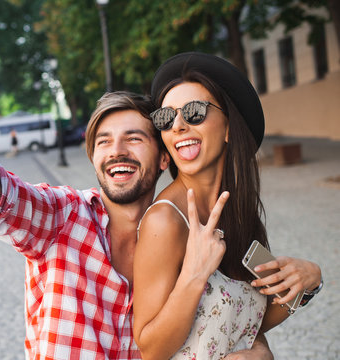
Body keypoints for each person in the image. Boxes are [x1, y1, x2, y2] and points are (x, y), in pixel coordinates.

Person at [0, 21, 321, 359]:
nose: (117, 151)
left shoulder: (229, 217)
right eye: (103, 141)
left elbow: (250, 315)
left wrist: (300, 295)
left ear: (163, 156)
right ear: (92, 158)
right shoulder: (63, 219)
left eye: (135, 137)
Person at [133, 52, 323, 360]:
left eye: (194, 112)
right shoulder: (165, 220)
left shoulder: (240, 213)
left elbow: (251, 317)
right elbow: (150, 349)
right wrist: (194, 275)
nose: (178, 126)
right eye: (166, 118)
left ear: (228, 127)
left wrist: (306, 283)